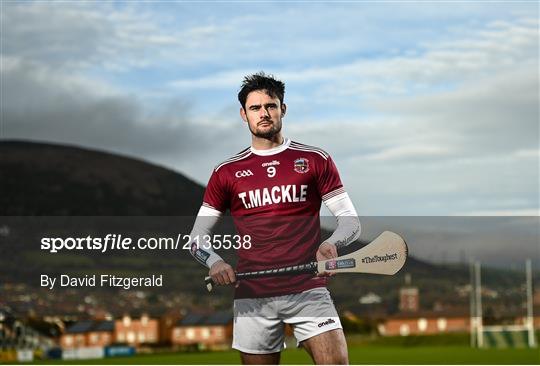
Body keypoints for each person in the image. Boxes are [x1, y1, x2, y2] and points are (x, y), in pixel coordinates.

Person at [189, 72, 360, 364]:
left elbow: (351, 223)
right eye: (255, 108)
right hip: (253, 295)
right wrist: (214, 262)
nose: (264, 113)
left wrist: (331, 245)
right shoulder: (225, 172)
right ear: (244, 115)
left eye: (271, 105)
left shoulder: (316, 159)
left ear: (283, 108)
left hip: (308, 288)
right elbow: (196, 238)